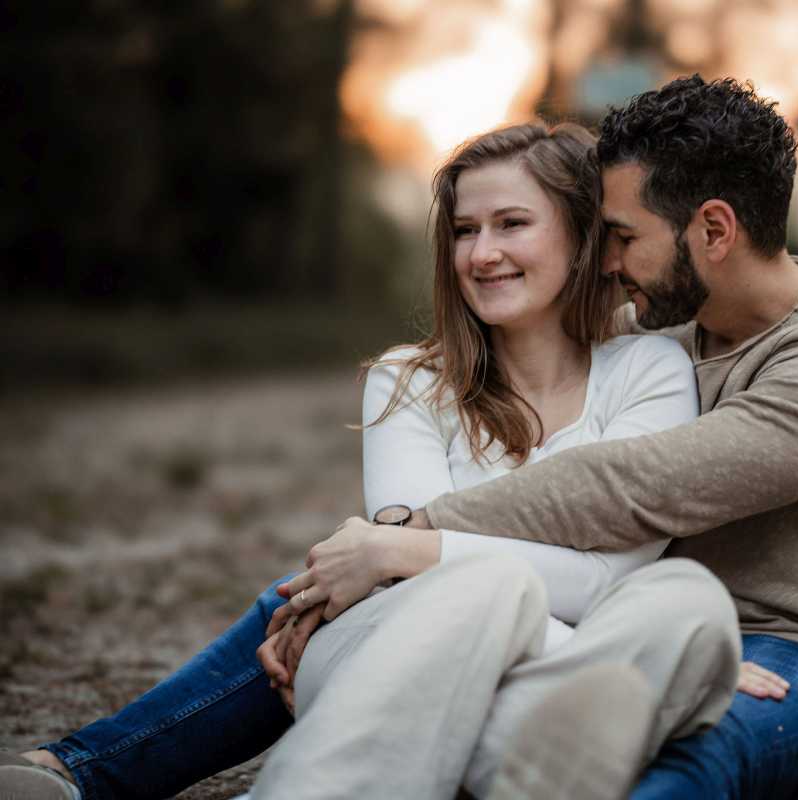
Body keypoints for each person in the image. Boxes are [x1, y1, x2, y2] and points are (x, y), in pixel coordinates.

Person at [1, 122, 753, 800]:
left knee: (687, 600)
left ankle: (520, 768)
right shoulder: (411, 380)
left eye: (512, 224)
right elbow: (405, 582)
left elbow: (603, 578)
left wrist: (404, 543)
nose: (481, 253)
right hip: (393, 645)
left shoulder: (650, 370)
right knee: (491, 592)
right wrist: (414, 559)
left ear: (583, 237)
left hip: (533, 663)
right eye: (464, 231)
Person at [393, 75, 798, 799]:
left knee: (687, 755)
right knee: (311, 608)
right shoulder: (653, 331)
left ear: (713, 230)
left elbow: (629, 487)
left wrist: (413, 529)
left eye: (621, 237)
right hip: (631, 631)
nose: (606, 265)